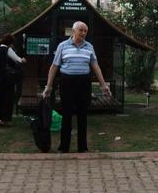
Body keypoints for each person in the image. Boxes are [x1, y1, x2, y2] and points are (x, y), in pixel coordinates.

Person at [43, 21, 111, 153]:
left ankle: (82, 147)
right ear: (73, 31)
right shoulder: (63, 46)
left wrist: (103, 85)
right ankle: (64, 147)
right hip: (67, 82)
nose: (83, 33)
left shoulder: (89, 47)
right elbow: (54, 66)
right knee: (67, 114)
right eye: (81, 30)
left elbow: (95, 66)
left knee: (82, 114)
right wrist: (49, 86)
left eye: (85, 31)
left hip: (84, 83)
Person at [0, 33, 26, 127]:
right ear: (10, 43)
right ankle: (4, 120)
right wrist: (23, 59)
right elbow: (18, 60)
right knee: (8, 99)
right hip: (7, 79)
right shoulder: (7, 50)